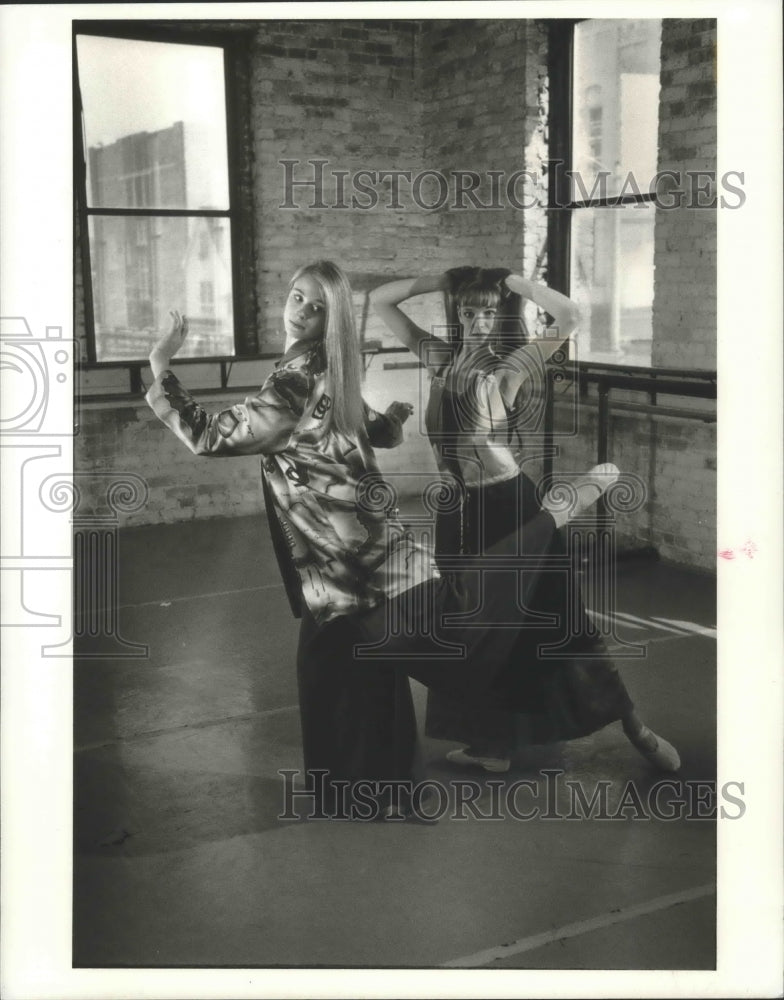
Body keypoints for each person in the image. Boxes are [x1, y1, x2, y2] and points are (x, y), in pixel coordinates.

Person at [145, 260, 633, 821]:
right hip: (346, 557)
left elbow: (210, 436)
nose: (301, 311)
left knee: (463, 624)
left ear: (331, 318)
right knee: (343, 666)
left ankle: (556, 512)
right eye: (298, 297)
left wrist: (160, 366)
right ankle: (377, 790)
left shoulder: (299, 379)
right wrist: (393, 419)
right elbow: (375, 426)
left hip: (363, 558)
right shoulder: (333, 365)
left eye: (317, 306)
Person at [369, 266, 681, 774]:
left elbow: (570, 315)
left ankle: (636, 728)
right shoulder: (438, 359)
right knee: (472, 630)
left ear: (500, 317)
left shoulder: (508, 369)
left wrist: (510, 279)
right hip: (458, 514)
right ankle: (491, 746)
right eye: (469, 311)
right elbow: (382, 299)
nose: (479, 322)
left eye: (489, 313)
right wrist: (447, 279)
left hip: (510, 508)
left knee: (559, 618)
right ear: (457, 314)